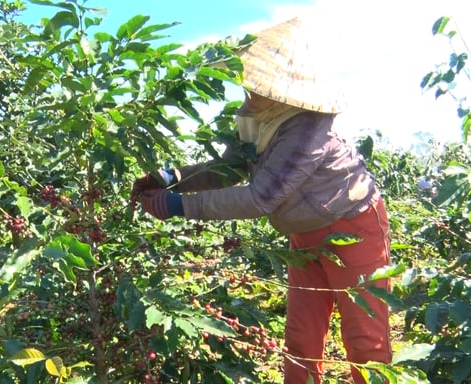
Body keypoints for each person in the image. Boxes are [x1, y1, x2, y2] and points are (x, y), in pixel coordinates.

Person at [132, 17, 391, 384]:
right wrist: (170, 179)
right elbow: (227, 169)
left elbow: (260, 197)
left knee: (366, 340)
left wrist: (177, 207)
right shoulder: (256, 118)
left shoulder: (307, 127)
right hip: (304, 236)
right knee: (301, 337)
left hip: (353, 224)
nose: (249, 90)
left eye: (257, 84)